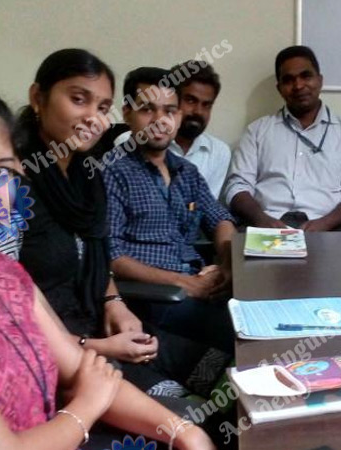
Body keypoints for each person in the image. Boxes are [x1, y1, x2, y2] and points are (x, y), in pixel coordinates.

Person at [0, 74, 213, 450]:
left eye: (1, 171)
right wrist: (86, 405)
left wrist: (186, 433)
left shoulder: (0, 272)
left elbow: (78, 368)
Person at [13, 50, 231, 412]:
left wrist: (114, 303)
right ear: (38, 98)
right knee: (192, 415)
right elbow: (5, 301)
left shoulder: (86, 176)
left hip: (106, 324)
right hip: (68, 351)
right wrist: (96, 345)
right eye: (78, 99)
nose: (92, 117)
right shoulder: (11, 183)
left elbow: (98, 254)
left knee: (230, 377)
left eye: (102, 107)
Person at [104, 67, 235, 351]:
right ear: (127, 113)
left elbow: (219, 218)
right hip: (153, 297)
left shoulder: (186, 172)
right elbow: (109, 254)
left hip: (196, 285)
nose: (159, 121)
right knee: (244, 329)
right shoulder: (112, 172)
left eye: (169, 111)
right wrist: (184, 283)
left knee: (266, 304)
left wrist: (226, 265)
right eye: (147, 110)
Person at [224, 45, 341, 231]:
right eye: (288, 80)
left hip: (330, 227)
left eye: (306, 76)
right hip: (268, 227)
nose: (298, 86)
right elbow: (237, 186)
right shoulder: (257, 131)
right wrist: (261, 219)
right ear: (279, 88)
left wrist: (325, 223)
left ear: (320, 80)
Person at [113, 61, 230, 200]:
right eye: (190, 100)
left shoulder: (214, 154)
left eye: (206, 105)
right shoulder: (129, 146)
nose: (198, 111)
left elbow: (208, 208)